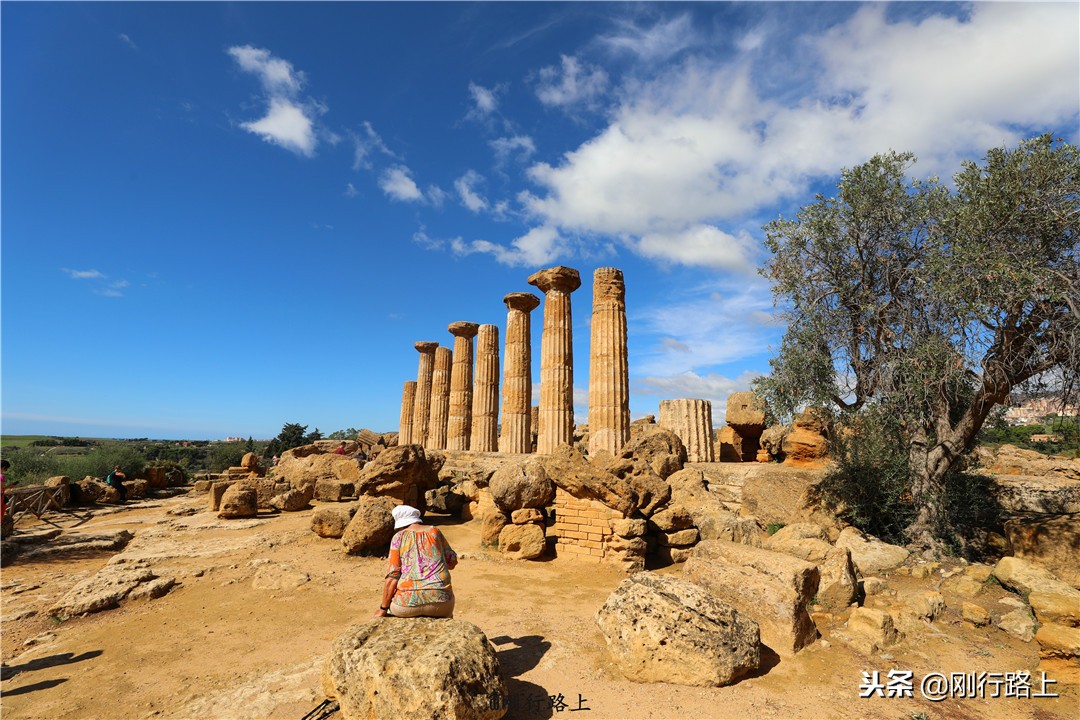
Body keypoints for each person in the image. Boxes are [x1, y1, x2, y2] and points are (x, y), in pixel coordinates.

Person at [375, 505, 458, 619]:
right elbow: (452, 561)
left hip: (406, 605)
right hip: (441, 602)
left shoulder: (398, 537)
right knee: (447, 612)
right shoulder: (435, 531)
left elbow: (393, 577)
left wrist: (383, 608)